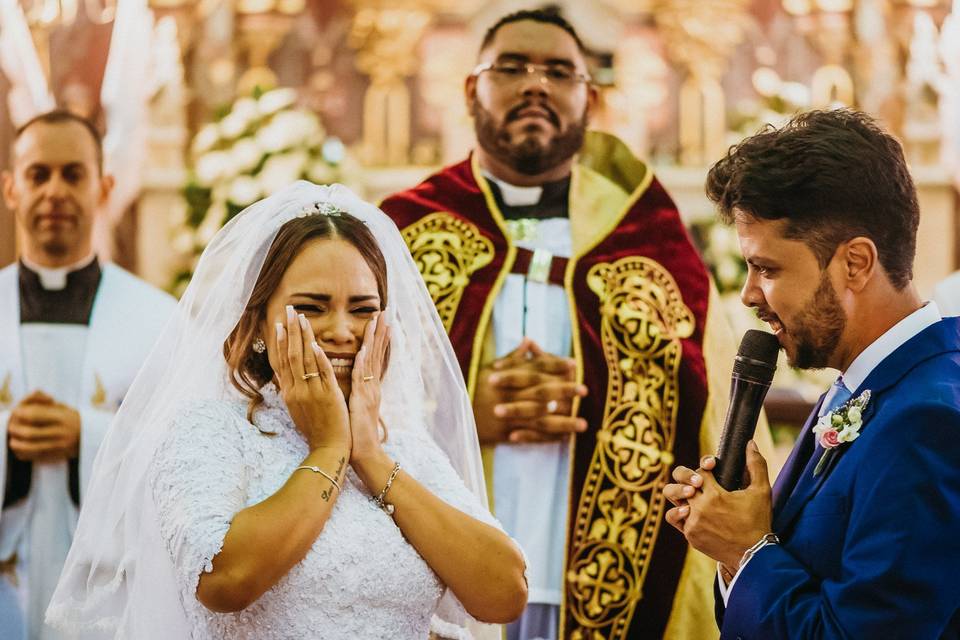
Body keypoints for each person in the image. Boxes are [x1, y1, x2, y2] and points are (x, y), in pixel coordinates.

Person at [380, 9, 774, 640]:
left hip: (603, 575)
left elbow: (708, 408)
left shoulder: (649, 238)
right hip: (441, 566)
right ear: (469, 90)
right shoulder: (402, 231)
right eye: (510, 67)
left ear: (591, 98)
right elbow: (346, 389)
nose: (535, 84)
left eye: (559, 72)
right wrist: (460, 414)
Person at [46, 181, 528, 639]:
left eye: (363, 309)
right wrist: (330, 447)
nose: (342, 330)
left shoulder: (404, 448)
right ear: (258, 323)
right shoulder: (209, 430)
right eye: (311, 307)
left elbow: (505, 592)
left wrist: (371, 457)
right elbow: (225, 578)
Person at [665, 109, 960, 638]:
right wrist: (738, 540)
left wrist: (745, 549)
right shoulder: (870, 382)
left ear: (855, 263)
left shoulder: (927, 421)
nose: (750, 294)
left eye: (768, 268)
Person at [0, 110, 176, 640]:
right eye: (38, 174)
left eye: (73, 174)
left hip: (111, 598)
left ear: (104, 187)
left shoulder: (159, 321)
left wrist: (90, 437)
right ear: (11, 189)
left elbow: (183, 456)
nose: (55, 191)